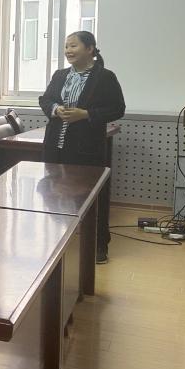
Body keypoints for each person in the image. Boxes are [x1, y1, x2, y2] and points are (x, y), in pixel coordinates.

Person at [39, 31, 125, 264]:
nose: (68, 50)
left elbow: (117, 109)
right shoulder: (60, 75)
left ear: (90, 49)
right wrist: (55, 109)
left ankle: (99, 245)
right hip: (55, 145)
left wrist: (85, 114)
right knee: (54, 194)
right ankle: (58, 242)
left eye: (73, 46)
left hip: (86, 148)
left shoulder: (104, 77)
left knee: (90, 197)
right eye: (66, 46)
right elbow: (45, 100)